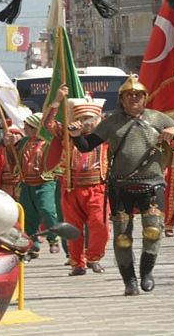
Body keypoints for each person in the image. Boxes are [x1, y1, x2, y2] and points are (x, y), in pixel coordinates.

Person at [69, 74, 174, 296]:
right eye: (129, 95)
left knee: (153, 231)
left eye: (138, 95)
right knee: (123, 238)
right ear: (122, 99)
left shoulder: (159, 118)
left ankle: (146, 272)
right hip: (121, 185)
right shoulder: (111, 122)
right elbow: (87, 146)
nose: (134, 98)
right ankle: (129, 281)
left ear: (145, 97)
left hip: (152, 183)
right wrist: (76, 135)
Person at [43, 85, 111, 276]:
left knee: (101, 224)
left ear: (99, 120)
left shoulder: (104, 136)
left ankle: (94, 257)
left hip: (96, 187)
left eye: (90, 119)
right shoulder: (66, 134)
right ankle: (77, 263)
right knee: (73, 229)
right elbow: (48, 124)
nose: (86, 123)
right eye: (82, 119)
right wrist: (57, 100)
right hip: (71, 187)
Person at [8, 113, 61, 259]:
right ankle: (32, 245)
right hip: (27, 184)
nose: (25, 129)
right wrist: (9, 146)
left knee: (47, 210)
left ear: (37, 127)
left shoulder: (48, 142)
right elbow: (13, 158)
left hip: (45, 183)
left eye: (29, 126)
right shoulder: (24, 142)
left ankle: (53, 239)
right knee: (28, 216)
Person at [0, 126, 24, 199]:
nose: (7, 138)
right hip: (4, 188)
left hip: (20, 187)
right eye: (6, 136)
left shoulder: (24, 150)